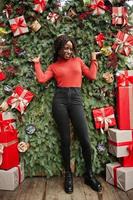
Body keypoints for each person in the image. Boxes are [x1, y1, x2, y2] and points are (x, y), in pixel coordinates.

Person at [32, 34, 102, 193]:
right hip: (60, 101)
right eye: (65, 48)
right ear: (59, 49)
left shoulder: (78, 61)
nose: (68, 51)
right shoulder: (54, 66)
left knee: (84, 138)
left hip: (76, 99)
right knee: (65, 140)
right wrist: (37, 64)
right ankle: (68, 175)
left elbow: (92, 75)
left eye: (70, 48)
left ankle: (89, 175)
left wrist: (93, 60)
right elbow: (42, 79)